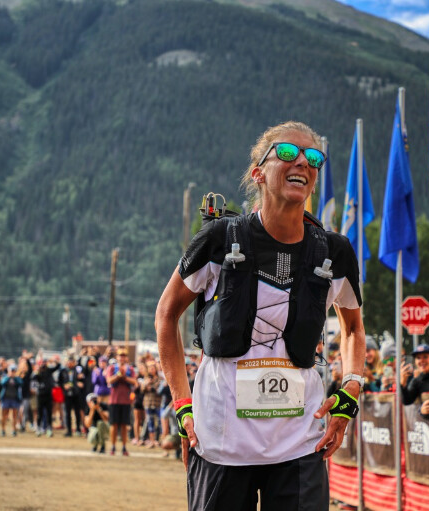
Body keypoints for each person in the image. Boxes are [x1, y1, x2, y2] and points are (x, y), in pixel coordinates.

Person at [155, 122, 365, 510]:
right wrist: (182, 403)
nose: (302, 161)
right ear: (258, 173)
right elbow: (167, 314)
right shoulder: (219, 239)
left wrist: (351, 388)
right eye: (286, 153)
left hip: (300, 443)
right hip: (221, 441)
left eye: (313, 157)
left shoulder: (334, 252)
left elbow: (353, 328)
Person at [106, 348, 137, 456]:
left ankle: (124, 447)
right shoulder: (111, 368)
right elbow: (109, 380)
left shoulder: (130, 369)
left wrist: (124, 377)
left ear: (126, 358)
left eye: (124, 356)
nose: (122, 358)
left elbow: (134, 381)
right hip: (114, 400)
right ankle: (113, 446)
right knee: (113, 425)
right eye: (120, 356)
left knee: (124, 425)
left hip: (126, 401)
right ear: (117, 357)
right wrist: (117, 376)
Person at [59, 356, 84, 437]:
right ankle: (69, 430)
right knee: (68, 413)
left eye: (71, 362)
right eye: (69, 362)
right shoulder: (63, 371)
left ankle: (78, 429)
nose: (70, 364)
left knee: (77, 412)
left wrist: (79, 382)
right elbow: (60, 381)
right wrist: (64, 386)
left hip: (76, 394)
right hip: (67, 394)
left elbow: (82, 380)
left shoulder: (78, 370)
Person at [0, 364, 23, 437]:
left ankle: (14, 430)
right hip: (6, 398)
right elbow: (2, 383)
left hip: (14, 399)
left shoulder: (17, 379)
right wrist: (8, 377)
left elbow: (21, 383)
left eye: (14, 371)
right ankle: (3, 430)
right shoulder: (5, 377)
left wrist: (14, 377)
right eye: (11, 371)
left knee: (14, 415)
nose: (12, 372)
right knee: (4, 415)